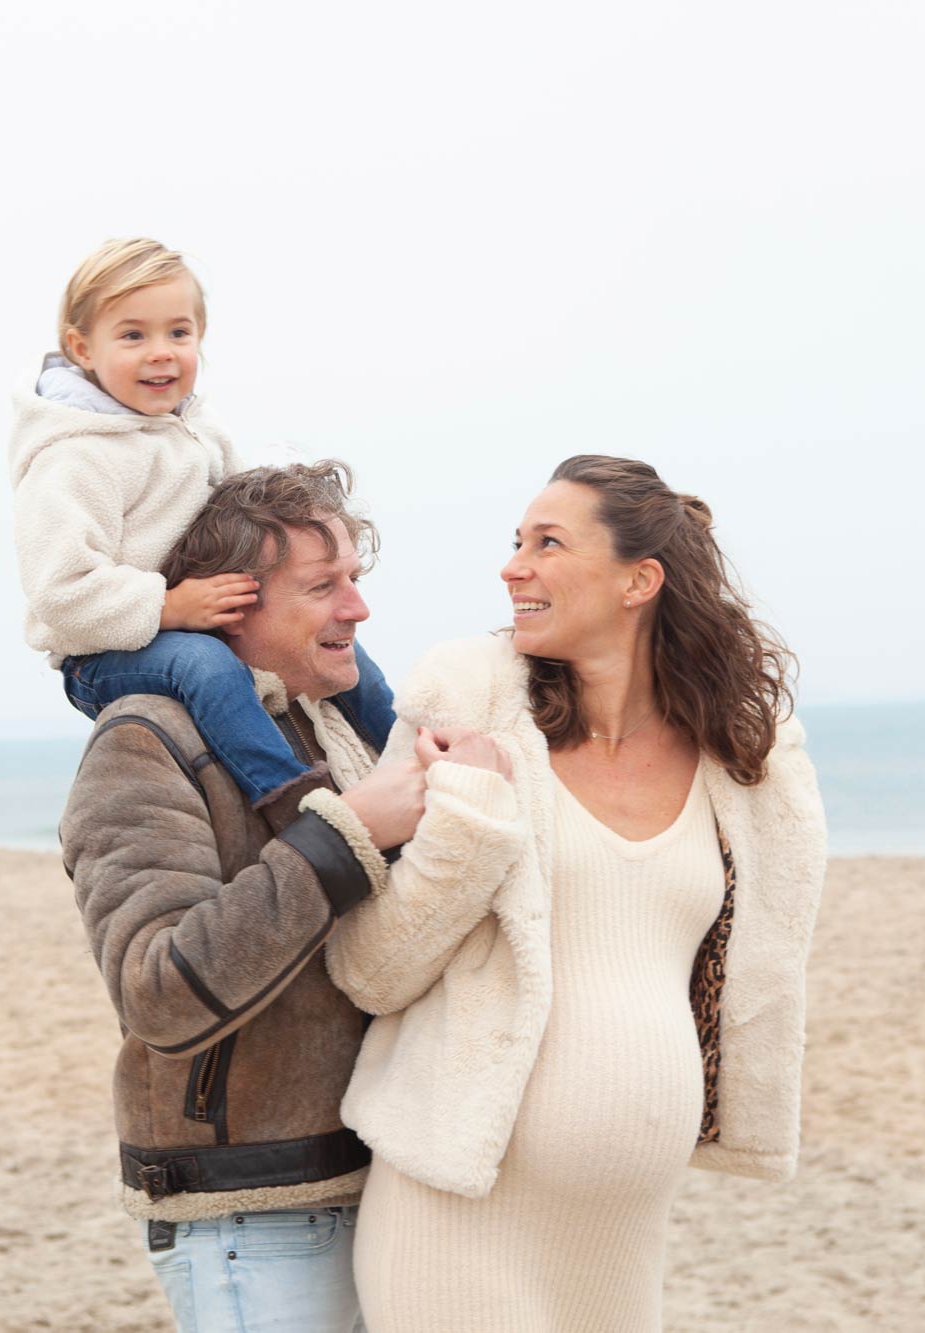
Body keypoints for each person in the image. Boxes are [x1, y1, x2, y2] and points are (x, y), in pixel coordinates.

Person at [325, 454, 830, 1332]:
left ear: (640, 581)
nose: (512, 567)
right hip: (458, 1214)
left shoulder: (740, 753)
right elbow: (371, 970)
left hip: (622, 1233)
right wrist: (471, 813)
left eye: (547, 543)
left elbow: (760, 960)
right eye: (516, 541)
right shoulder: (469, 706)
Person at [58, 461, 504, 1333]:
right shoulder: (144, 738)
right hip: (252, 1216)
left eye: (356, 580)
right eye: (323, 586)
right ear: (230, 603)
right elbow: (157, 989)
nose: (358, 609)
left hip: (386, 1182)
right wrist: (348, 834)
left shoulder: (329, 725)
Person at [8, 237, 396, 819]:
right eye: (133, 335)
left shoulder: (197, 426)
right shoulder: (74, 456)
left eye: (179, 333)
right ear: (81, 348)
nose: (161, 353)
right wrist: (170, 606)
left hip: (195, 619)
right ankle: (294, 800)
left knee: (345, 652)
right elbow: (60, 595)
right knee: (206, 666)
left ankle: (411, 755)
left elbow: (240, 513)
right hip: (104, 652)